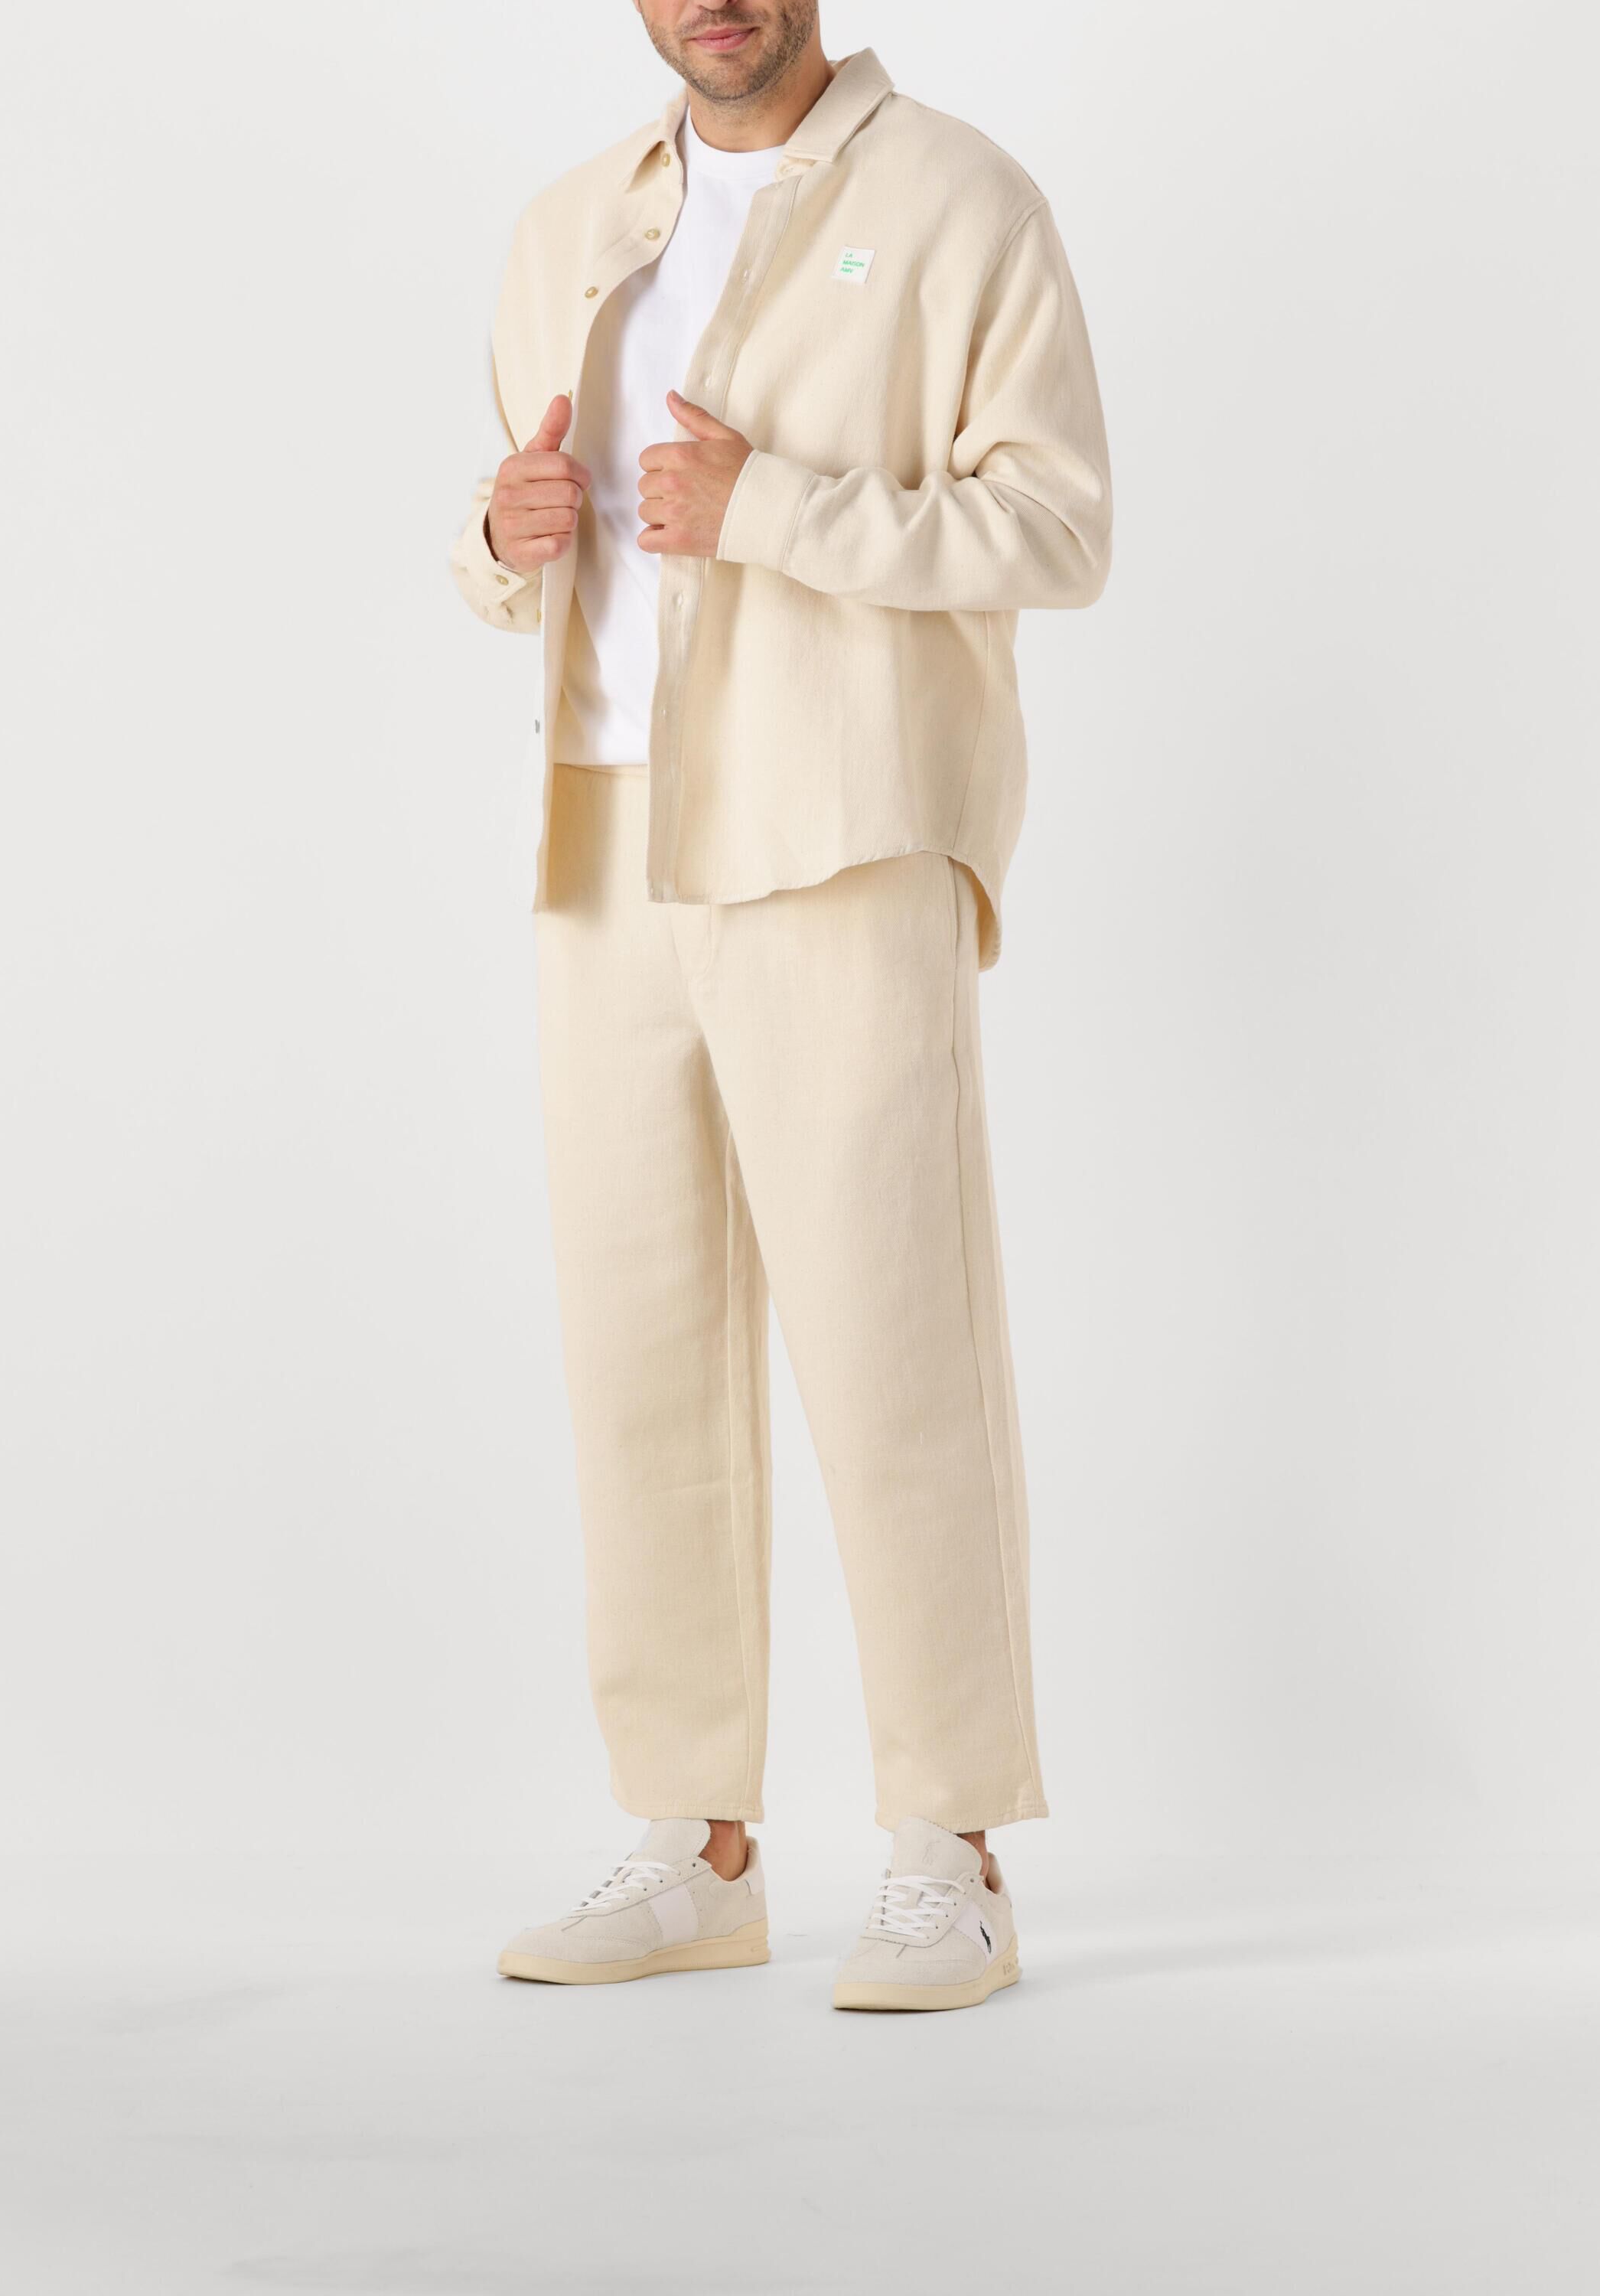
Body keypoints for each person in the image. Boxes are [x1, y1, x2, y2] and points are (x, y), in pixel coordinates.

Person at [450, 0, 1110, 2013]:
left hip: (839, 830)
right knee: (634, 1344)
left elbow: (1059, 527)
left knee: (898, 1338)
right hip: (608, 842)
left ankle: (949, 1851)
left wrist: (775, 508)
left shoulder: (963, 198)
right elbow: (528, 546)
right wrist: (499, 541)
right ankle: (694, 1840)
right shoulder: (568, 220)